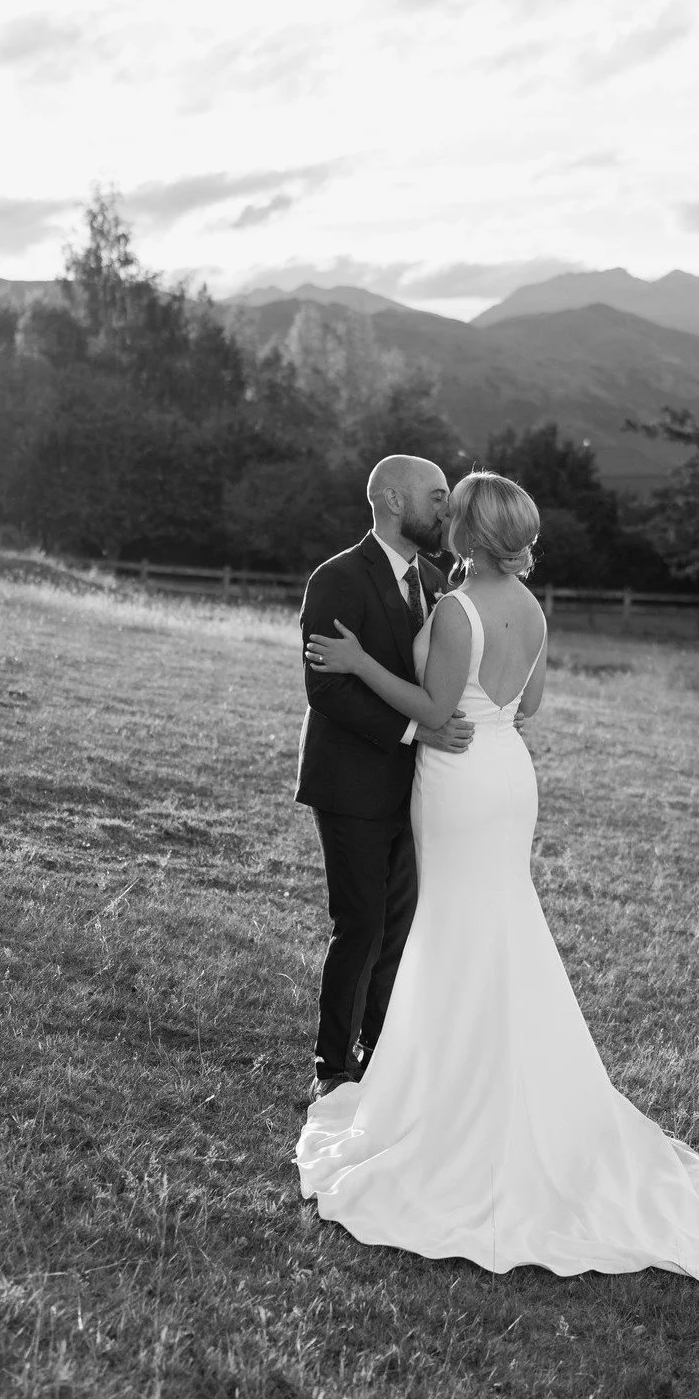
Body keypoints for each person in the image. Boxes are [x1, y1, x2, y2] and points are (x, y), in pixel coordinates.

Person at [294, 470, 699, 1279]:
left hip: (460, 781)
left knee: (451, 926)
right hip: (507, 773)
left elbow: (436, 710)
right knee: (495, 922)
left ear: (467, 535)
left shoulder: (455, 607)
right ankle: (488, 1074)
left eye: (453, 508)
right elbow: (528, 706)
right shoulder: (532, 609)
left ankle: (449, 1095)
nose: (441, 514)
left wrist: (357, 663)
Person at [295, 455, 473, 1104]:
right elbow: (326, 689)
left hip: (416, 787)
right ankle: (331, 1066)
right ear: (394, 501)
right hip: (350, 783)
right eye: (436, 497)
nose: (445, 510)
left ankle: (380, 1051)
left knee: (398, 927)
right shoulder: (338, 577)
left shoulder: (434, 581)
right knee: (361, 924)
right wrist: (411, 732)